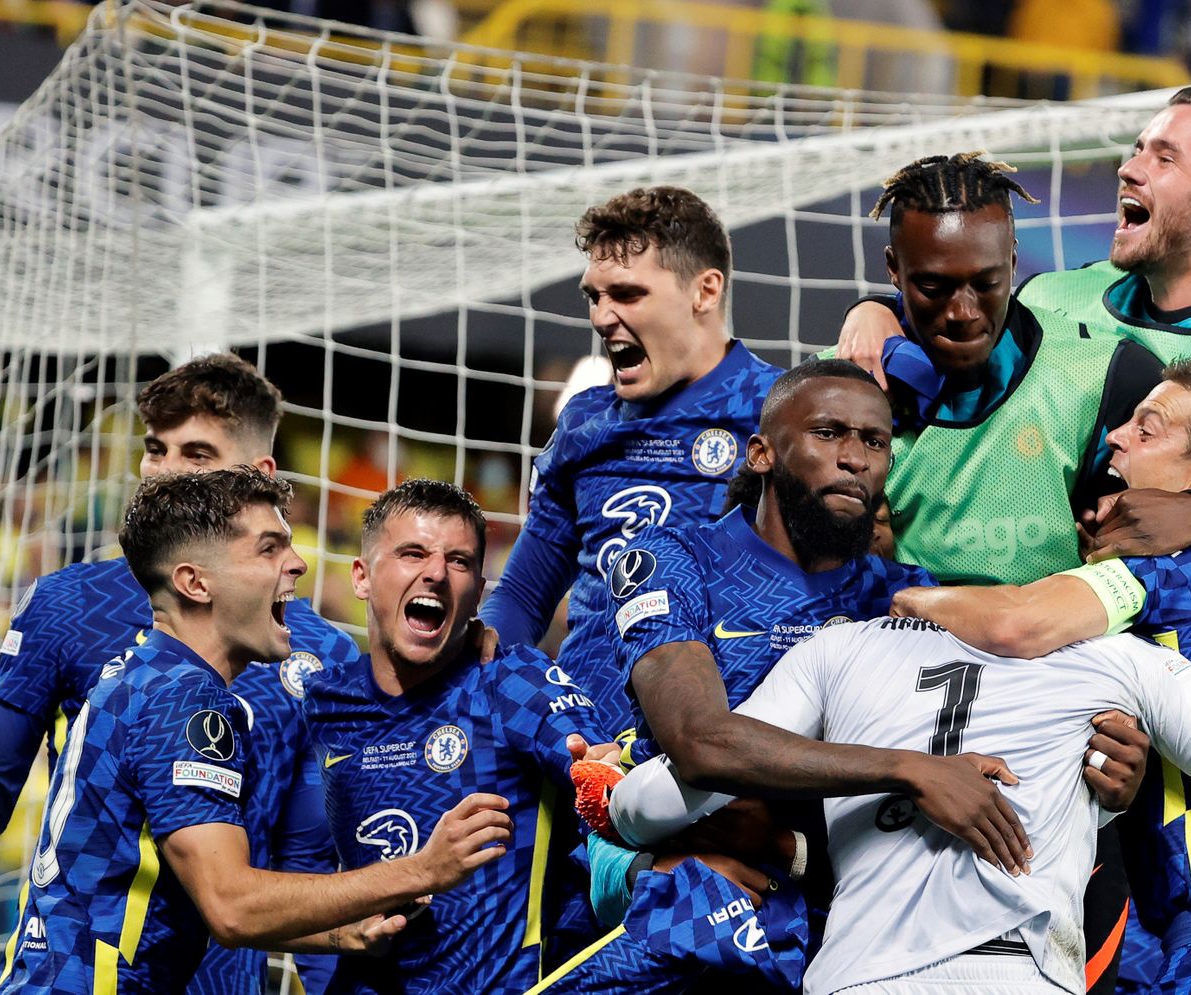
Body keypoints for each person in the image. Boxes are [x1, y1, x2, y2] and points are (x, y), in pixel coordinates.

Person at [825, 147, 1191, 991]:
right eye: (931, 287)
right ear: (893, 271)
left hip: (1066, 782)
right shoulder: (852, 394)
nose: (962, 311)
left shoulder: (1102, 376)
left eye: (986, 283)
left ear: (1015, 263)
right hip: (888, 756)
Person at [533, 360, 1116, 993]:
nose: (854, 458)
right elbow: (700, 742)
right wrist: (907, 768)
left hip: (843, 925)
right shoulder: (672, 559)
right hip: (681, 895)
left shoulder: (907, 598)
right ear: (762, 454)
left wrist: (1111, 775)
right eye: (828, 433)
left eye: (874, 442)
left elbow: (972, 773)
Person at [891, 358, 1191, 992]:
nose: (1115, 437)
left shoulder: (1173, 574)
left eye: (1147, 429)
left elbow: (1016, 624)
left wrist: (899, 598)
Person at [601, 618, 1191, 994]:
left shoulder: (838, 646)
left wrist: (620, 780)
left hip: (853, 977)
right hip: (1016, 973)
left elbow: (644, 802)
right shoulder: (1120, 658)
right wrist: (1124, 797)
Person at [839, 86, 1191, 624]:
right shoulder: (1052, 295)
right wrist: (879, 309)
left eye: (1165, 158)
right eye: (1138, 149)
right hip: (1028, 607)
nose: (1129, 169)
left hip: (1187, 643)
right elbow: (961, 316)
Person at [0, 468, 510, 995]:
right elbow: (232, 908)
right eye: (269, 549)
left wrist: (341, 935)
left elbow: (185, 898)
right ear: (196, 584)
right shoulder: (187, 702)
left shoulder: (141, 673)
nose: (298, 563)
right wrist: (423, 869)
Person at [0, 353, 359, 995]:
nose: (164, 471)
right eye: (155, 449)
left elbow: (305, 857)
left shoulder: (318, 652)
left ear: (258, 477)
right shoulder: (66, 605)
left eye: (197, 455)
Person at [479, 186, 784, 739]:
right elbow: (523, 597)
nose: (602, 317)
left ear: (705, 291)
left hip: (724, 744)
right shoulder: (584, 423)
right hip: (585, 745)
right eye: (594, 296)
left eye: (627, 294)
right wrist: (480, 650)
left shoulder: (780, 411)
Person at [300, 479, 614, 993]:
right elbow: (295, 864)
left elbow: (599, 774)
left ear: (478, 591)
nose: (436, 573)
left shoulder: (511, 681)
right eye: (412, 553)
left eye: (459, 561)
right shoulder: (324, 703)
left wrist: (607, 773)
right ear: (361, 577)